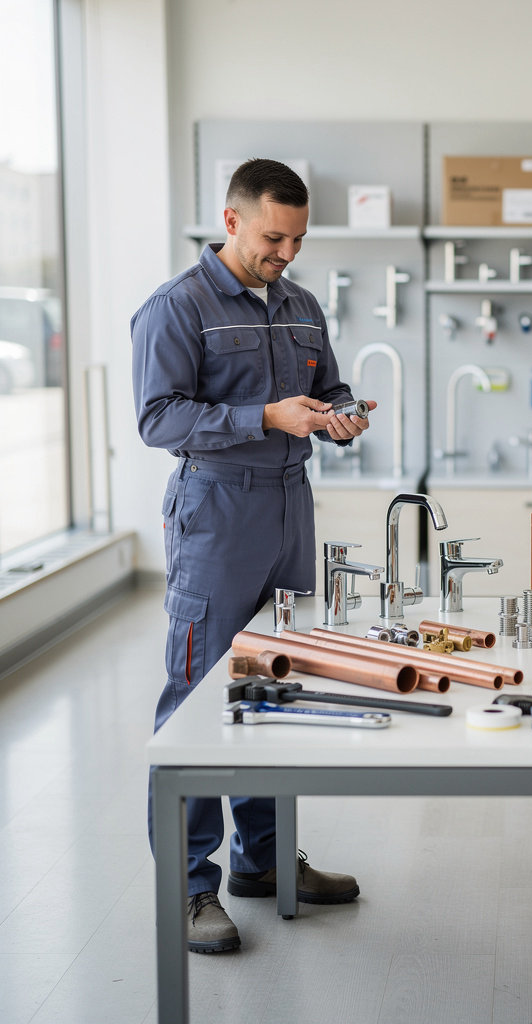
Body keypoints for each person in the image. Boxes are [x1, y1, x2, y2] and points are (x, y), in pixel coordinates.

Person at [132, 158, 376, 953]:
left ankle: (265, 860)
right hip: (217, 512)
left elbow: (330, 387)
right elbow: (160, 420)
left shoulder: (301, 305)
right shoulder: (178, 308)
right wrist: (267, 415)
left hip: (289, 508)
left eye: (299, 238)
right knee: (198, 695)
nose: (288, 252)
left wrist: (340, 416)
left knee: (279, 683)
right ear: (232, 221)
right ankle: (190, 887)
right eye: (275, 236)